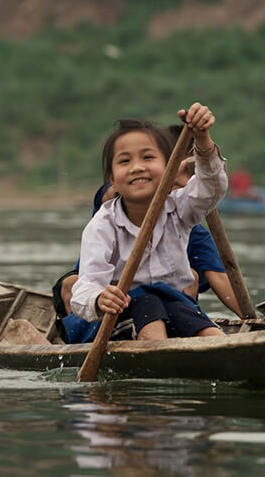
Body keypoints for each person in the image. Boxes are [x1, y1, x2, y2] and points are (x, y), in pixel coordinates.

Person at [67, 103, 229, 343]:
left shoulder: (181, 207)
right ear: (112, 179)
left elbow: (211, 187)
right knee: (148, 302)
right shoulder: (103, 224)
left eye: (148, 157)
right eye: (124, 161)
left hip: (174, 306)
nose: (137, 167)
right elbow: (85, 286)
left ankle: (223, 346)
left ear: (169, 169)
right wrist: (100, 298)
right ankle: (160, 355)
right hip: (115, 318)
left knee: (183, 309)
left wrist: (203, 140)